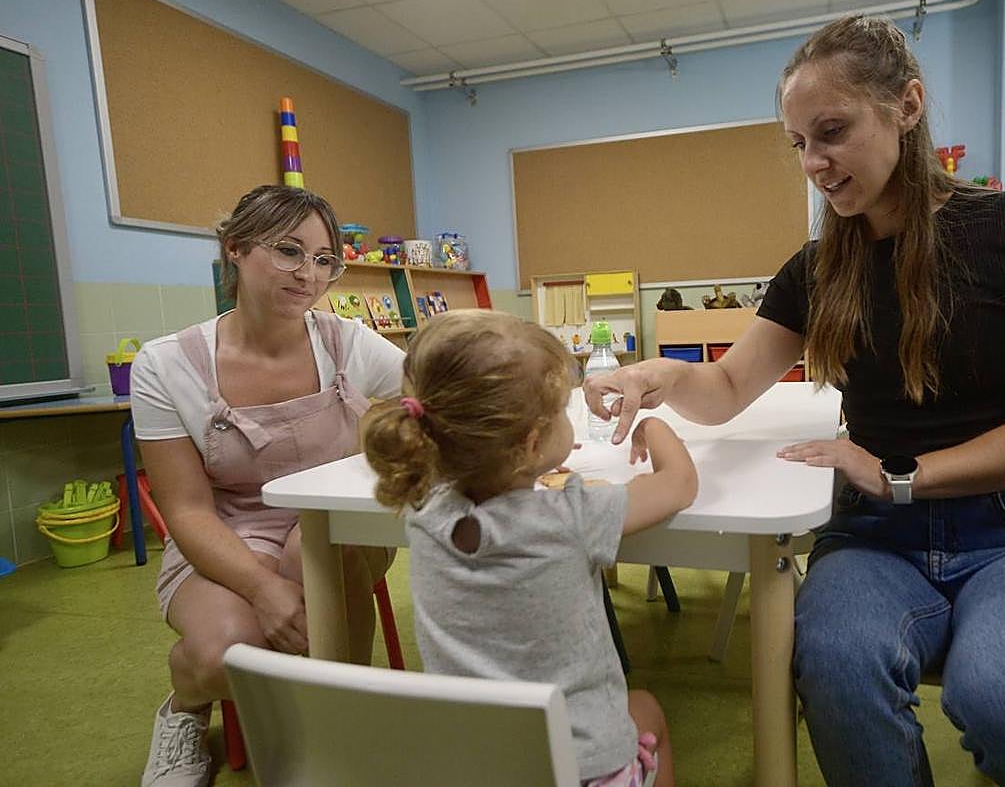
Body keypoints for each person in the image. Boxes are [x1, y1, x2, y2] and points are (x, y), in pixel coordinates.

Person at [584, 15, 1005, 786]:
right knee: (839, 675)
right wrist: (661, 377)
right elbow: (726, 388)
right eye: (799, 144)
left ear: (907, 106)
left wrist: (901, 472)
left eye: (833, 131)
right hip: (876, 542)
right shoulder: (817, 269)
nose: (814, 161)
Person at [132, 185, 405, 787]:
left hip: (335, 524)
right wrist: (261, 589)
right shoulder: (165, 364)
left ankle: (339, 727)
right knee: (220, 655)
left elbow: (439, 380)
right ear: (235, 248)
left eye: (324, 259)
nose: (308, 274)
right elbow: (185, 507)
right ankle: (184, 705)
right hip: (227, 533)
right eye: (288, 251)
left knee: (325, 563)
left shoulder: (349, 343)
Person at [360, 310, 698, 787]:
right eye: (562, 411)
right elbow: (679, 484)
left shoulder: (420, 507)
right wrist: (654, 429)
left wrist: (522, 465)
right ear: (532, 443)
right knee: (648, 710)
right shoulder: (570, 517)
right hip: (582, 767)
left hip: (472, 767)